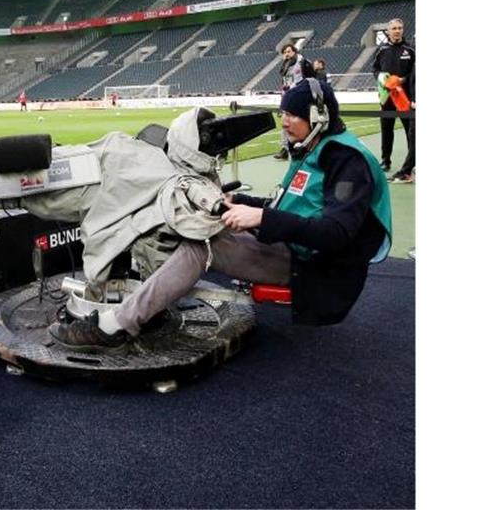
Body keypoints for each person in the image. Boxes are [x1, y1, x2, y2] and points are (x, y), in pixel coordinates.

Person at [49, 79, 392, 350]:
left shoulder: (348, 162)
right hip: (293, 248)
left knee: (202, 245)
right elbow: (291, 208)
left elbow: (336, 233)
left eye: (293, 115)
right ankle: (148, 304)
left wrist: (261, 219)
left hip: (312, 268)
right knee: (199, 225)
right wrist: (238, 201)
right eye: (284, 112)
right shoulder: (316, 150)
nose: (284, 122)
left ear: (318, 117)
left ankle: (115, 327)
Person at [372, 18, 415, 183]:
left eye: (400, 28)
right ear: (388, 32)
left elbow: (416, 72)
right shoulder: (381, 49)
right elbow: (375, 69)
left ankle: (411, 163)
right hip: (387, 98)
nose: (397, 31)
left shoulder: (411, 49)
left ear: (403, 30)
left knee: (410, 132)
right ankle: (385, 160)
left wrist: (403, 80)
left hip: (405, 98)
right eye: (394, 28)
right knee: (386, 130)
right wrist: (381, 78)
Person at [274, 42, 316, 160]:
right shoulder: (285, 65)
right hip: (289, 97)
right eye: (285, 52)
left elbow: (312, 79)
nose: (287, 54)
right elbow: (285, 82)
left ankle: (306, 147)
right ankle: (285, 149)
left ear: (294, 51)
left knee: (302, 123)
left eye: (289, 51)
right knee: (286, 123)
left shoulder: (303, 62)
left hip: (301, 97)